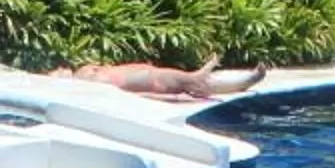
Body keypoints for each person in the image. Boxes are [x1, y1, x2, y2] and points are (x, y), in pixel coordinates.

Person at [59, 60, 268, 102]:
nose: (60, 70)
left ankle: (201, 77)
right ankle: (248, 79)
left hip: (154, 76)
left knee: (194, 81)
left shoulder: (86, 73)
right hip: (155, 80)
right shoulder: (87, 81)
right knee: (195, 82)